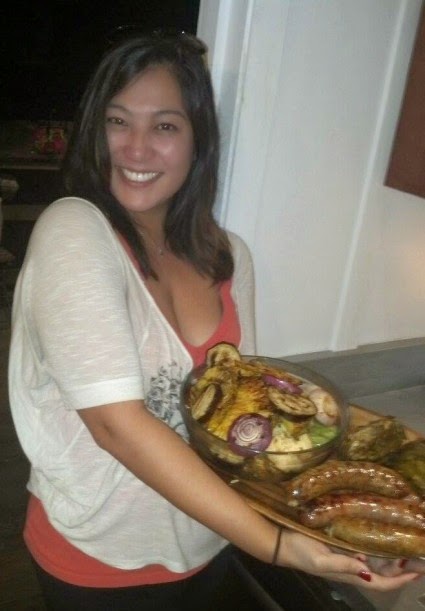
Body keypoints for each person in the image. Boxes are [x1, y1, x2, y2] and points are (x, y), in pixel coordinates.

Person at [8, 31, 422, 611]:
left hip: (212, 541)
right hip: (100, 564)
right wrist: (275, 544)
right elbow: (117, 426)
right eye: (117, 121)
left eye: (165, 126)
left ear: (198, 140)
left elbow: (248, 420)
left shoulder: (229, 255)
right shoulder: (73, 230)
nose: (135, 148)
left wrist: (344, 530)